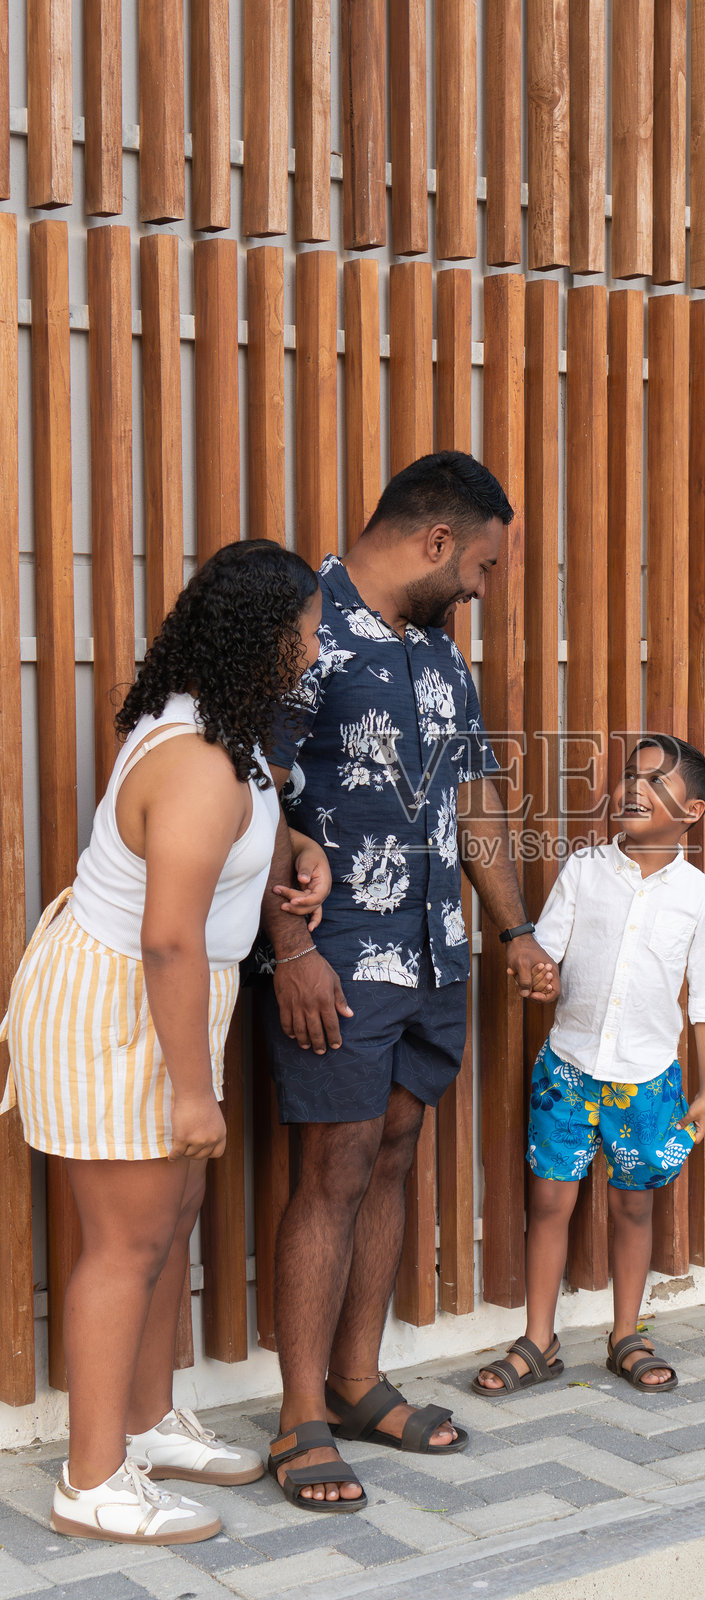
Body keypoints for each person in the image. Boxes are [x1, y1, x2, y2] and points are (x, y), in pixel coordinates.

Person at [0, 541, 330, 1545]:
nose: (317, 650)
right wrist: (194, 1091)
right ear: (266, 639)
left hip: (164, 995)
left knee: (168, 1217)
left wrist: (296, 846)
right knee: (127, 1243)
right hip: (123, 1001)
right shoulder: (196, 762)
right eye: (310, 631)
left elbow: (237, 828)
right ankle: (92, 1481)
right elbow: (169, 937)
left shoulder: (218, 726)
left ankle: (143, 1425)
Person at [257, 451, 559, 1510]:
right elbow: (253, 796)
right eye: (480, 566)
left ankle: (355, 1383)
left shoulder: (439, 654)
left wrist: (513, 928)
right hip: (336, 957)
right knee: (332, 1170)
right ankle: (298, 1418)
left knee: (392, 1153)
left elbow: (472, 800)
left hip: (433, 953)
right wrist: (290, 949)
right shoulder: (305, 632)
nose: (481, 587)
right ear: (437, 541)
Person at [473, 735, 705, 1397]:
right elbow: (547, 949)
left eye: (658, 781)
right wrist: (538, 974)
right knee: (548, 1201)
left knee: (633, 1208)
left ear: (693, 812)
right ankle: (538, 1340)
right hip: (567, 1069)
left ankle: (625, 1336)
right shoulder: (584, 870)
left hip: (648, 1082)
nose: (636, 788)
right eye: (631, 775)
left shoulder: (698, 897)